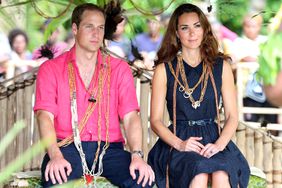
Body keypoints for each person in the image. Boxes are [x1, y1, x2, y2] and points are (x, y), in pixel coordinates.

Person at [34, 3, 154, 187]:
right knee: (56, 181)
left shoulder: (119, 69)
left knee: (141, 181)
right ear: (75, 29)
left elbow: (131, 117)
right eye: (89, 26)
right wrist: (55, 155)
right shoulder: (51, 69)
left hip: (110, 149)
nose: (96, 34)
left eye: (100, 28)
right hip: (66, 148)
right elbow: (44, 116)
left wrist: (137, 155)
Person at [148, 3, 250, 188]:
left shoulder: (221, 66)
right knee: (199, 171)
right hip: (179, 139)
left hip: (215, 137)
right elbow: (155, 121)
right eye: (185, 28)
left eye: (197, 26)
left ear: (204, 29)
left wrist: (219, 145)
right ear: (177, 33)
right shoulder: (164, 69)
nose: (192, 33)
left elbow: (232, 117)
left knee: (221, 172)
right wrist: (180, 144)